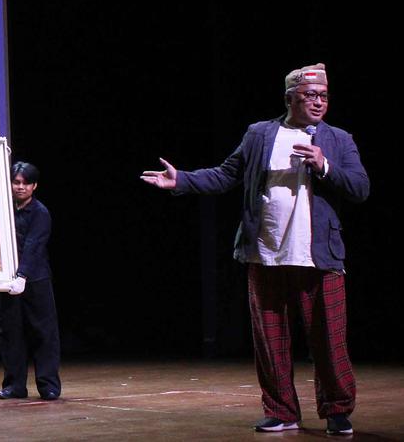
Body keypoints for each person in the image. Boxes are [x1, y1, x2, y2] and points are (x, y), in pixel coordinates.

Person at [140, 63, 368, 436]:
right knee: (270, 340)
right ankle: (281, 411)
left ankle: (337, 410)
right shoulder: (260, 134)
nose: (318, 102)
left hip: (319, 257)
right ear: (290, 98)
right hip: (265, 253)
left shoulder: (339, 139)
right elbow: (226, 174)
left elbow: (360, 188)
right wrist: (181, 180)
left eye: (324, 96)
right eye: (310, 95)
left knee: (329, 341)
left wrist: (324, 165)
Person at [0, 161, 62, 401]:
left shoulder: (40, 213)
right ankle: (14, 386)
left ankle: (49, 386)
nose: (20, 187)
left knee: (43, 333)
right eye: (16, 182)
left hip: (35, 280)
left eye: (26, 183)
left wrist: (22, 275)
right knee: (11, 334)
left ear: (34, 186)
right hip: (8, 281)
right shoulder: (3, 210)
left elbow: (35, 245)